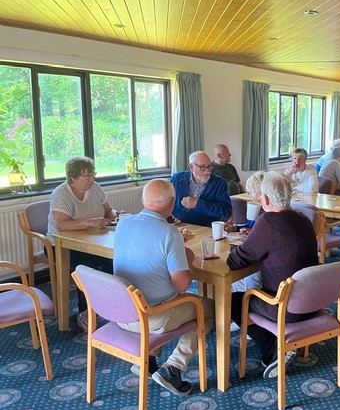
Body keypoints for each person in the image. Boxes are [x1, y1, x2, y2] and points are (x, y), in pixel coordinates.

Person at [114, 179, 214, 396]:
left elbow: (147, 255)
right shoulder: (170, 233)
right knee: (210, 309)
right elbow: (182, 284)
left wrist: (180, 253)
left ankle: (147, 360)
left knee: (159, 294)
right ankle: (174, 368)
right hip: (151, 317)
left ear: (143, 200)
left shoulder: (123, 223)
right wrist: (188, 260)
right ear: (172, 203)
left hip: (121, 311)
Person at [227, 172, 319, 378]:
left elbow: (236, 261)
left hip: (286, 307)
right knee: (254, 291)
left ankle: (272, 351)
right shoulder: (303, 219)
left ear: (265, 198)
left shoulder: (268, 221)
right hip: (312, 301)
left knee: (232, 301)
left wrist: (236, 249)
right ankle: (278, 341)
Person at [46, 156, 121, 332]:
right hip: (60, 244)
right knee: (86, 267)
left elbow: (109, 211)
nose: (91, 179)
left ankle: (109, 306)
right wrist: (91, 222)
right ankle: (85, 312)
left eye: (92, 174)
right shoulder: (62, 193)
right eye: (86, 176)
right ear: (72, 178)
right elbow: (62, 224)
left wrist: (117, 214)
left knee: (115, 260)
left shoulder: (95, 188)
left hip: (90, 240)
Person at [170, 151, 232, 226]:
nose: (207, 170)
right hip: (180, 226)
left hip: (205, 228)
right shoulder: (177, 179)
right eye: (202, 167)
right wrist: (170, 217)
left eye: (209, 166)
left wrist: (198, 204)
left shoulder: (219, 183)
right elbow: (167, 201)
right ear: (191, 167)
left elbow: (225, 212)